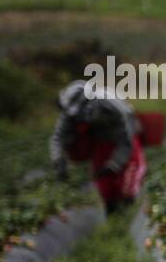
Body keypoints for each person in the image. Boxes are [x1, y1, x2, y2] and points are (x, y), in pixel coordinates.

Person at [50, 79, 146, 215]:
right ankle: (111, 211)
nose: (77, 118)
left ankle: (129, 205)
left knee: (130, 174)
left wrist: (113, 165)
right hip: (101, 138)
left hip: (123, 135)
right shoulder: (70, 113)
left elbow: (126, 143)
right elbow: (58, 138)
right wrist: (58, 160)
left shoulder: (114, 108)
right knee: (103, 180)